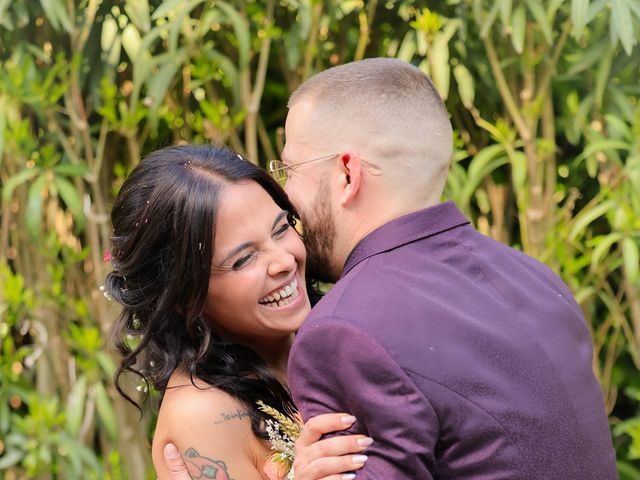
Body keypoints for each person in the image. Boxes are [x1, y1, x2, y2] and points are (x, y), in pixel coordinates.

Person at [278, 58, 617, 478]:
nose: (285, 193)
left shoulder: (342, 330)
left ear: (348, 173)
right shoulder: (535, 277)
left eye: (290, 169)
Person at [105, 145, 371, 480]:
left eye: (281, 228)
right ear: (183, 296)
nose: (284, 261)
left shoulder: (331, 337)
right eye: (243, 259)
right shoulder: (203, 414)